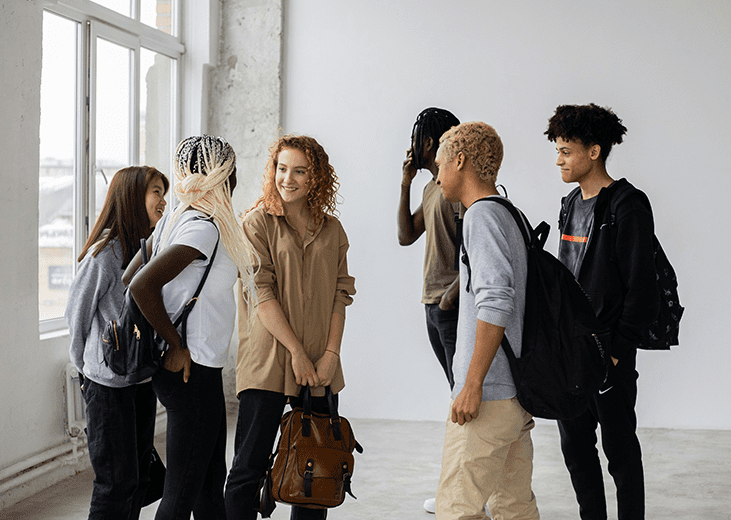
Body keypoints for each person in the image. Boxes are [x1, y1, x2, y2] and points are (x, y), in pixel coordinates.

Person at [224, 134, 356, 520]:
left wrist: (330, 356)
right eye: (282, 169)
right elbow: (260, 293)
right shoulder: (256, 223)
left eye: (300, 171)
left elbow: (340, 295)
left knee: (317, 470)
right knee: (248, 468)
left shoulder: (333, 230)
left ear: (316, 177)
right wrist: (295, 352)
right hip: (268, 360)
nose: (288, 178)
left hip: (319, 364)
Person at [128, 135, 257, 520]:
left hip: (199, 369)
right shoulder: (204, 227)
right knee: (183, 490)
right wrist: (175, 344)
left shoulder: (176, 218)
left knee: (207, 481)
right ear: (224, 176)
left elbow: (131, 277)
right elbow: (139, 286)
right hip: (190, 368)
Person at [546, 103, 660, 520]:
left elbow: (641, 288)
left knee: (620, 452)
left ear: (594, 151)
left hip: (608, 352)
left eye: (566, 151)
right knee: (575, 451)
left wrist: (617, 350)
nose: (558, 159)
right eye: (556, 150)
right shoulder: (570, 203)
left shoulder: (627, 204)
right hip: (571, 353)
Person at [433, 122, 539, 520]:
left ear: (460, 162)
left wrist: (472, 384)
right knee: (514, 507)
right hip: (514, 395)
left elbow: (496, 300)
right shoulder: (511, 214)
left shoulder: (480, 217)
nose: (438, 176)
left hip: (489, 397)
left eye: (441, 165)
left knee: (456, 509)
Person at [65, 165, 169, 520]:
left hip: (140, 379)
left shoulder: (149, 249)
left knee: (138, 479)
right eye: (156, 191)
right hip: (107, 385)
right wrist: (85, 369)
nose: (163, 200)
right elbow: (76, 314)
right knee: (115, 482)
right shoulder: (105, 254)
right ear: (132, 198)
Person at [398, 107, 461, 390]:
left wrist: (450, 297)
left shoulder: (459, 188)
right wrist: (405, 184)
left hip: (453, 305)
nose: (411, 146)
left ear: (428, 142)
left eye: (416, 139)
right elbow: (406, 235)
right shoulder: (432, 187)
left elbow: (474, 249)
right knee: (454, 385)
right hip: (433, 303)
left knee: (462, 387)